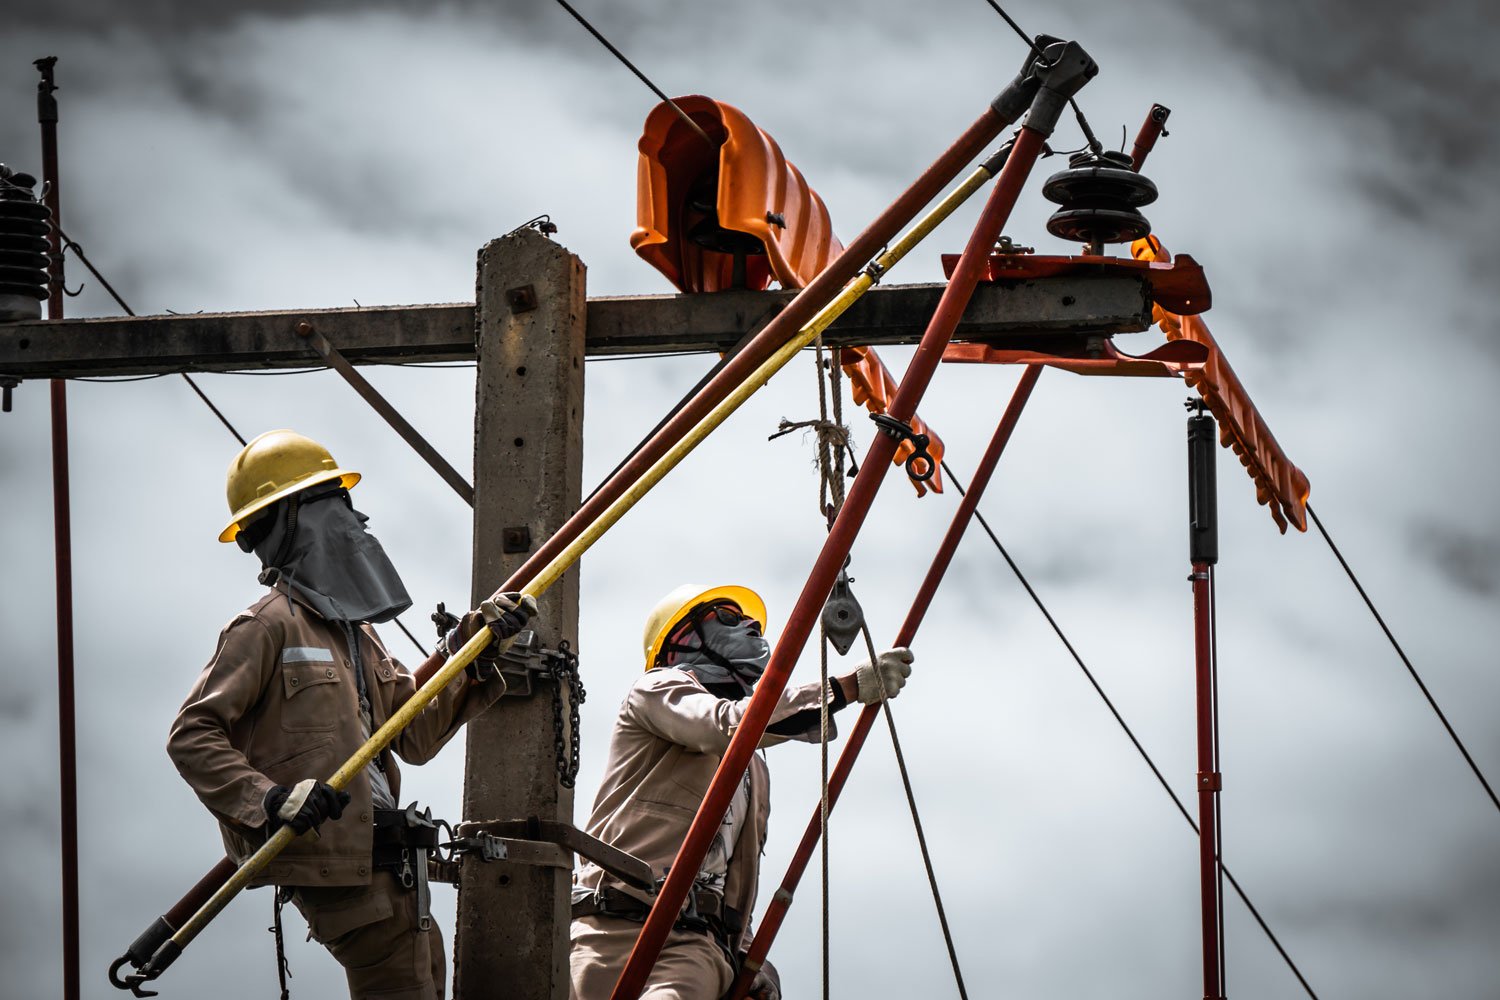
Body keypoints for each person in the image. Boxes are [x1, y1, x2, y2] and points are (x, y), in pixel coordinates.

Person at [168, 429, 534, 1000]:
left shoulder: (356, 636)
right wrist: (267, 799)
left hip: (389, 864)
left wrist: (474, 651)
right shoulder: (267, 626)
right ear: (294, 518)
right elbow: (193, 734)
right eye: (334, 502)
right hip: (344, 869)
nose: (354, 518)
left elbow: (412, 734)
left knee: (425, 980)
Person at [569, 583, 914, 999]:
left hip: (690, 948)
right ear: (682, 637)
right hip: (604, 930)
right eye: (730, 618)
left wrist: (751, 961)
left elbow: (734, 876)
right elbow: (724, 724)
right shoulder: (657, 689)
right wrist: (843, 688)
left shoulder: (753, 769)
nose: (751, 627)